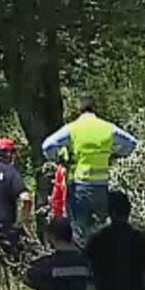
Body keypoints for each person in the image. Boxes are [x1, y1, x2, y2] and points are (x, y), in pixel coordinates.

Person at [41, 93, 138, 246]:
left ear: (79, 110)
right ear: (95, 109)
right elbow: (132, 144)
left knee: (80, 232)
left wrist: (58, 159)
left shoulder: (73, 128)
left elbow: (47, 146)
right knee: (100, 230)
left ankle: (84, 265)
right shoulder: (107, 128)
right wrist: (114, 155)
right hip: (101, 187)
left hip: (79, 186)